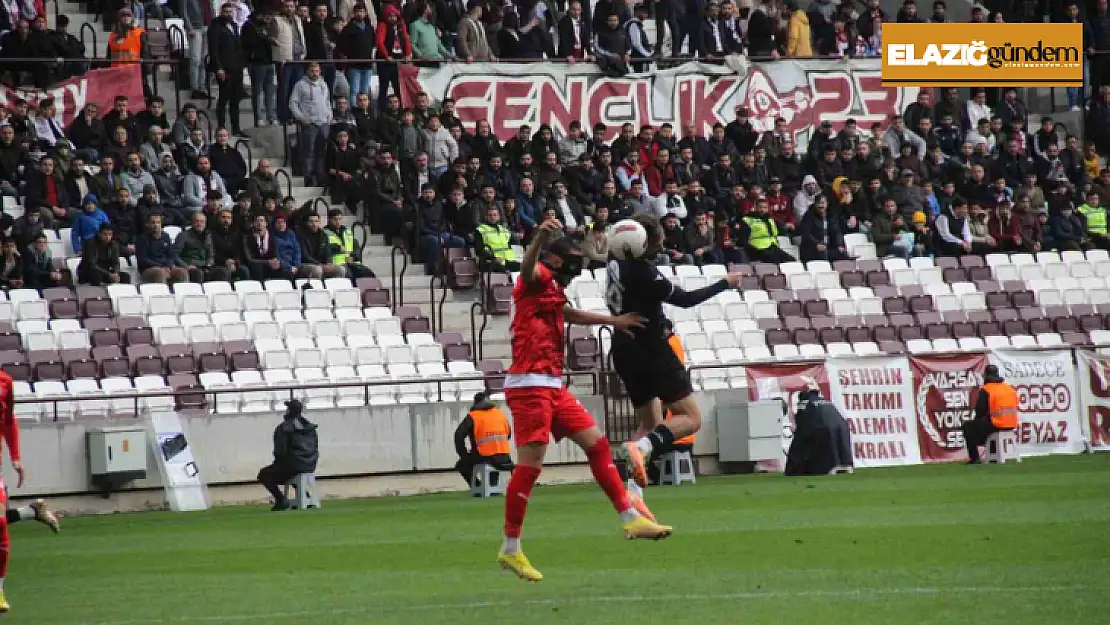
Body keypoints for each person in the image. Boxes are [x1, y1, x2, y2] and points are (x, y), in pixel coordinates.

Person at [497, 218, 671, 583]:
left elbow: (568, 314)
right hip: (529, 385)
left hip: (551, 384)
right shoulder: (537, 276)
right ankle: (511, 549)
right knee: (530, 466)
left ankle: (629, 518)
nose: (577, 268)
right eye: (572, 261)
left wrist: (614, 320)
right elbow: (526, 268)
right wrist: (539, 237)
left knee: (597, 444)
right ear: (558, 260)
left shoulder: (554, 287)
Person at [606, 214, 741, 490]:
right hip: (649, 347)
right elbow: (686, 300)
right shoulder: (645, 273)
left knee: (651, 422)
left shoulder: (613, 263)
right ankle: (640, 449)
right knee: (691, 418)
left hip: (622, 347)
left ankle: (627, 488)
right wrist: (725, 283)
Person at [256, 399, 319, 511]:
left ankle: (281, 500)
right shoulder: (310, 428)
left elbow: (280, 452)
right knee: (294, 470)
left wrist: (278, 463)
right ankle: (305, 497)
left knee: (264, 474)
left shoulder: (284, 428)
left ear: (289, 411)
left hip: (292, 466)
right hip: (310, 465)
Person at [785, 385, 854, 476]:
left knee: (802, 444)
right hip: (842, 427)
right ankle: (844, 464)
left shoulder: (804, 402)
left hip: (822, 428)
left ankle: (823, 467)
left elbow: (801, 425)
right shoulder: (827, 402)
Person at [453, 392, 514, 487]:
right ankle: (492, 487)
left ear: (475, 403)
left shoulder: (473, 416)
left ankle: (477, 488)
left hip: (485, 456)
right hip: (505, 457)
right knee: (492, 457)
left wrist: (464, 455)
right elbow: (508, 434)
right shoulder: (499, 414)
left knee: (462, 465)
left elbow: (458, 436)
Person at [962, 365, 1019, 464]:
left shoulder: (987, 389)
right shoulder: (1009, 388)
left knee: (968, 426)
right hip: (1011, 424)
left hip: (997, 424)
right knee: (986, 425)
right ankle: (993, 455)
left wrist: (977, 421)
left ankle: (975, 458)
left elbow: (980, 411)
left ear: (986, 375)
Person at [208, 3, 247, 135]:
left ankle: (236, 128)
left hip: (237, 67)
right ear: (221, 12)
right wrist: (218, 68)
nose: (229, 14)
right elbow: (213, 50)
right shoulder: (215, 27)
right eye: (226, 12)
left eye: (231, 12)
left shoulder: (235, 26)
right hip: (224, 68)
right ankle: (221, 126)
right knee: (224, 99)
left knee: (236, 99)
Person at [136, 213, 190, 284]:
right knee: (160, 272)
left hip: (165, 267)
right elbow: (143, 259)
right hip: (147, 269)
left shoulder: (166, 236)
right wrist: (161, 267)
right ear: (147, 224)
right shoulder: (142, 239)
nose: (155, 225)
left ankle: (181, 294)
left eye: (158, 222)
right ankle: (162, 294)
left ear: (161, 224)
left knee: (182, 272)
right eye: (153, 223)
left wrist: (168, 266)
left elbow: (171, 255)